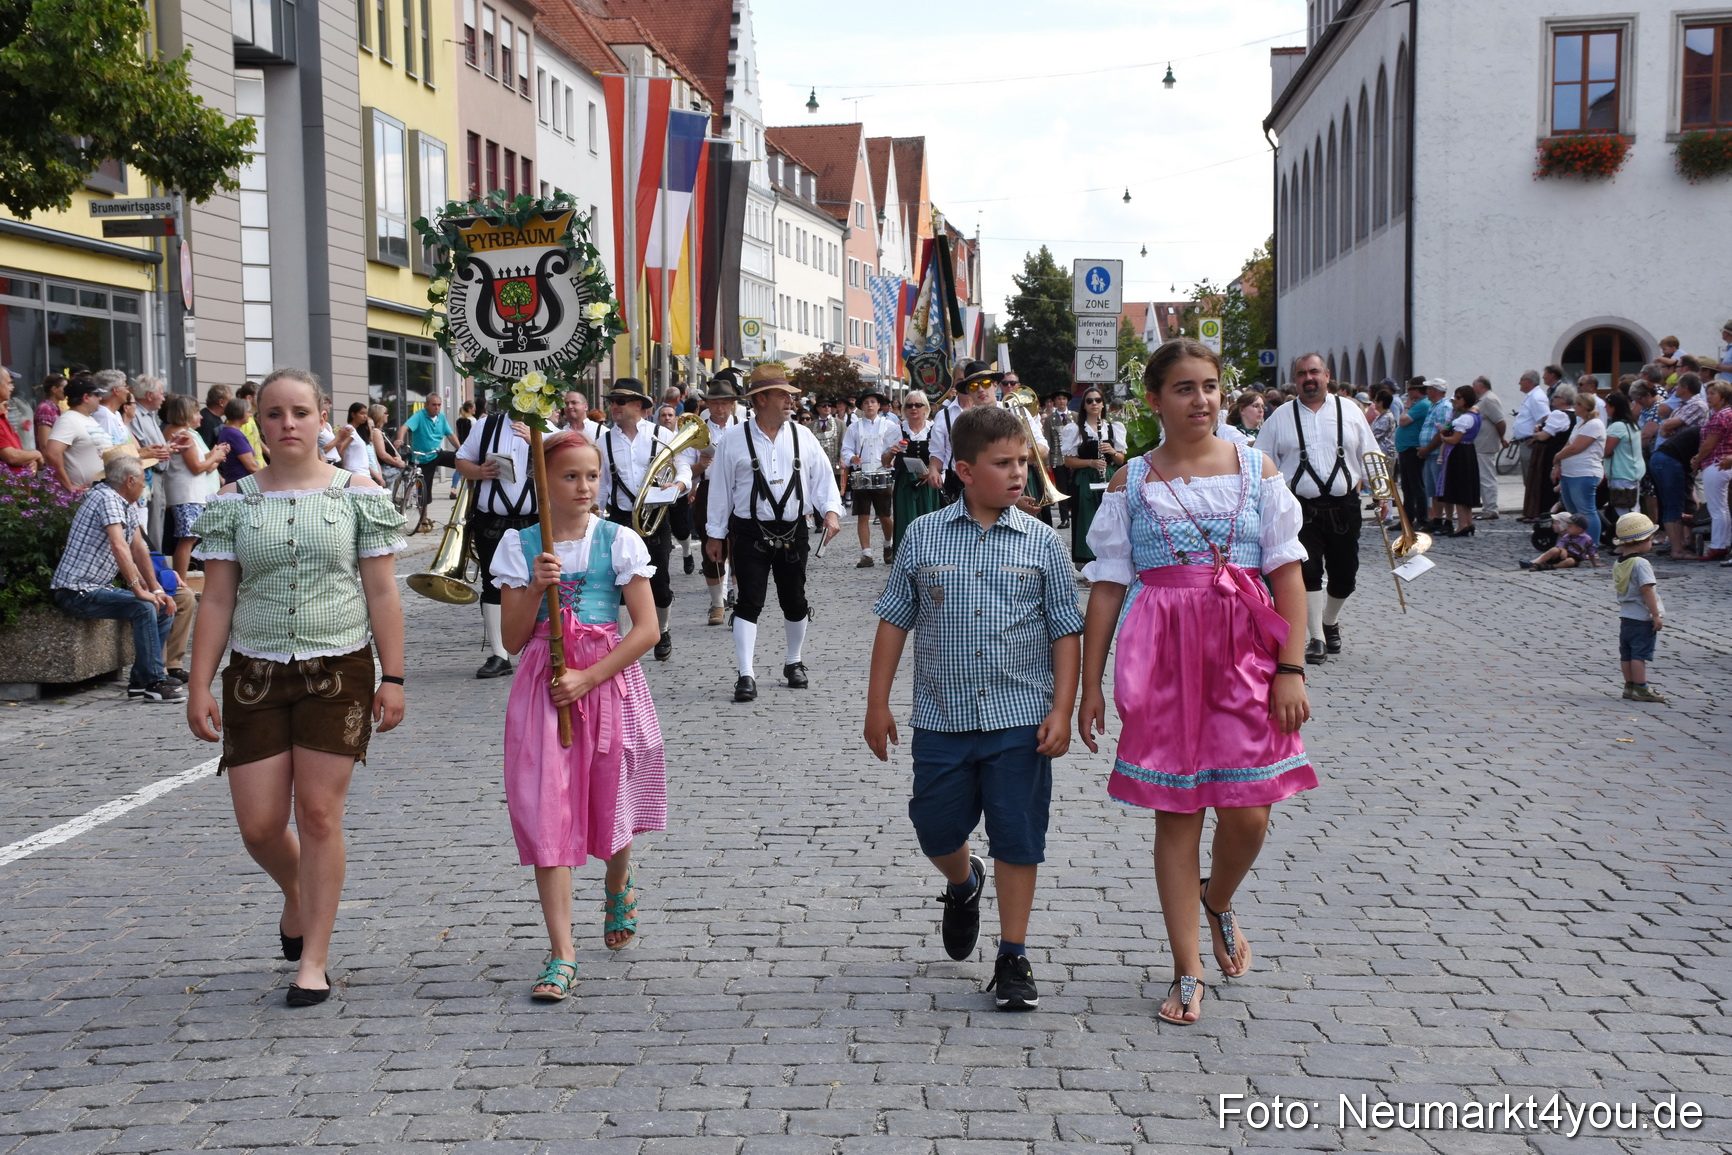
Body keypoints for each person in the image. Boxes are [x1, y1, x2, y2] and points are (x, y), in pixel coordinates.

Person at [1075, 339, 1314, 1025]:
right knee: (1177, 815)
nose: (1202, 399)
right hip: (1162, 657)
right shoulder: (1131, 481)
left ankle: (1218, 897)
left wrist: (1291, 667)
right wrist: (1091, 684)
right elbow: (1107, 588)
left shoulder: (1256, 470)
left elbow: (1287, 575)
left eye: (1210, 385)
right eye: (1184, 388)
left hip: (1245, 655)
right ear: (1153, 399)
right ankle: (1187, 967)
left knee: (1249, 811)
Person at [185, 366, 407, 1007]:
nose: (287, 424)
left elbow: (383, 591)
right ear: (258, 420)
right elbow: (218, 600)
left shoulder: (358, 493)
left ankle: (314, 958)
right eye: (275, 413)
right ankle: (297, 893)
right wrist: (199, 684)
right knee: (258, 826)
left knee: (317, 815)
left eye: (300, 413)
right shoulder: (232, 502)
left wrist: (392, 676)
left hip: (338, 669)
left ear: (323, 419)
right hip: (254, 673)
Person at [864, 404, 1083, 1012]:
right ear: (963, 470)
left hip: (1019, 717)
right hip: (943, 717)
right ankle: (963, 884)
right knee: (934, 827)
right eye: (1004, 463)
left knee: (1018, 836)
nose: (1019, 474)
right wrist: (876, 704)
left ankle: (1013, 955)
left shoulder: (1041, 541)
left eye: (1023, 462)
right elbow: (894, 620)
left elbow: (1067, 631)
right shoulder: (923, 536)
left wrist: (1061, 709)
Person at [493, 431, 666, 999]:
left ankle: (619, 876)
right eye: (569, 476)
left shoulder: (618, 541)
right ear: (543, 482)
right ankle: (562, 952)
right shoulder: (522, 546)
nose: (584, 487)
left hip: (605, 680)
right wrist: (531, 589)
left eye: (591, 475)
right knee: (547, 807)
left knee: (607, 796)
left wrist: (590, 676)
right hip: (545, 685)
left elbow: (646, 629)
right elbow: (515, 640)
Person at [705, 364, 843, 701]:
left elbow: (822, 477)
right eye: (783, 395)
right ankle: (746, 673)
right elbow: (720, 489)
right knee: (749, 601)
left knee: (795, 601)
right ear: (761, 399)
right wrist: (714, 533)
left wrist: (831, 511)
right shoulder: (733, 440)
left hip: (794, 530)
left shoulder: (802, 435)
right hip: (749, 531)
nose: (790, 402)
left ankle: (793, 661)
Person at [1257, 352, 1379, 664]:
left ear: (1326, 375)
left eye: (1314, 372)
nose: (1308, 379)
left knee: (1345, 575)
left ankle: (1329, 620)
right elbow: (1261, 462)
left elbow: (1371, 454)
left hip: (1344, 506)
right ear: (1295, 380)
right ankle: (1316, 637)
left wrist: (1383, 494)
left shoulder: (1349, 410)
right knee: (1308, 571)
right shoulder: (1279, 418)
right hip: (1299, 509)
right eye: (1302, 374)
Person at [49, 456, 182, 702]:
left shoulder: (125, 502)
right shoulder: (107, 497)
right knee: (143, 606)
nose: (145, 485)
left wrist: (156, 589)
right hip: (76, 591)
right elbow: (118, 545)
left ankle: (140, 682)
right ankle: (154, 682)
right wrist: (138, 589)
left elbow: (138, 547)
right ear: (129, 481)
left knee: (161, 606)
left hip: (96, 588)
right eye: (143, 480)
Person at [599, 378, 690, 662]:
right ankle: (626, 643)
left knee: (659, 583)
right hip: (620, 518)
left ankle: (662, 630)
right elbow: (601, 484)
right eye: (612, 401)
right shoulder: (603, 441)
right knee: (620, 584)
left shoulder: (659, 434)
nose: (614, 406)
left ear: (638, 405)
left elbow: (683, 466)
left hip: (655, 517)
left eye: (620, 401)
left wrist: (678, 486)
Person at [455, 400, 540, 678]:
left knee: (538, 584)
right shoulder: (485, 425)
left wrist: (540, 443)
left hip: (535, 522)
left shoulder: (548, 426)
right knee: (493, 585)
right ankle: (499, 655)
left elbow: (564, 465)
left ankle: (538, 649)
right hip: (492, 521)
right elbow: (461, 460)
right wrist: (479, 472)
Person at [690, 371, 744, 623]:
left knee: (742, 544)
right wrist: (699, 467)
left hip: (739, 490)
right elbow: (685, 469)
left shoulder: (744, 428)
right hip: (709, 490)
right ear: (707, 404)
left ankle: (739, 596)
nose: (720, 407)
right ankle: (717, 603)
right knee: (710, 547)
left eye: (724, 402)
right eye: (714, 402)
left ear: (732, 403)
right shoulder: (696, 431)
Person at [159, 393, 229, 586]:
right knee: (188, 539)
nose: (200, 416)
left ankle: (179, 582)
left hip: (184, 493)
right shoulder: (183, 434)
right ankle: (180, 583)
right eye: (197, 411)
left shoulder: (173, 431)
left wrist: (214, 453)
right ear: (187, 413)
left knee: (188, 538)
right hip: (187, 494)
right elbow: (197, 467)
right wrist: (215, 457)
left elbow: (195, 460)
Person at [1061, 387, 1127, 575]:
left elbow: (1121, 460)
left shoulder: (1114, 428)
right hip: (1085, 479)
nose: (1094, 404)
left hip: (1109, 479)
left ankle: (1110, 564)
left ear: (1103, 403)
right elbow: (1068, 460)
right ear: (1084, 405)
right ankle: (1089, 568)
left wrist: (1112, 452)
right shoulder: (1075, 429)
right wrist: (1090, 462)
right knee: (1087, 522)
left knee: (1110, 523)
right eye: (1089, 401)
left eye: (1098, 400)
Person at [1609, 514, 1666, 702]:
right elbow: (1647, 590)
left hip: (1626, 617)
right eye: (1650, 539)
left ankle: (1629, 685)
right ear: (1642, 541)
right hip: (1642, 618)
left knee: (1626, 653)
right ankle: (1641, 688)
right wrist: (1655, 614)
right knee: (1639, 655)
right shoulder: (1641, 564)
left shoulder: (1619, 563)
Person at [840, 386, 899, 566]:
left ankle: (888, 545)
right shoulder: (853, 427)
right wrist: (852, 457)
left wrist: (892, 458)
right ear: (861, 406)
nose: (869, 405)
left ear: (879, 405)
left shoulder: (890, 426)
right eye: (866, 402)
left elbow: (896, 448)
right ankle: (866, 554)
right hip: (863, 473)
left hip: (882, 473)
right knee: (863, 515)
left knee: (885, 515)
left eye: (873, 402)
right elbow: (846, 449)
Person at [888, 389, 944, 555]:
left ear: (925, 408)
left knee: (930, 522)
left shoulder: (934, 429)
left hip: (928, 482)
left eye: (918, 405)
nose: (914, 408)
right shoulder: (897, 430)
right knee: (906, 520)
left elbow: (943, 457)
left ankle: (931, 558)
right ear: (905, 409)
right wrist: (890, 453)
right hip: (905, 482)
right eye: (910, 405)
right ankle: (905, 559)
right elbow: (885, 462)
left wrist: (934, 471)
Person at [1550, 390, 1607, 546]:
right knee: (1574, 512)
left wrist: (1557, 457)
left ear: (1582, 406)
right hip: (1571, 473)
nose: (1574, 407)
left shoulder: (1595, 424)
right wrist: (1558, 463)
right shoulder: (1580, 424)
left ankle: (1592, 545)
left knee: (1586, 511)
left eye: (1576, 404)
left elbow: (1576, 448)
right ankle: (1579, 542)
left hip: (1584, 473)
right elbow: (1568, 445)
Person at [396, 393, 456, 532]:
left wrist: (462, 450)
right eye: (434, 404)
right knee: (424, 490)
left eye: (439, 405)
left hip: (436, 453)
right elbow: (404, 428)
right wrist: (400, 440)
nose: (437, 407)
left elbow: (450, 435)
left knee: (460, 460)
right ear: (426, 405)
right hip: (422, 458)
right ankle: (423, 520)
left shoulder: (441, 417)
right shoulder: (419, 416)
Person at [43, 378, 112, 491]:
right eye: (97, 394)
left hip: (97, 492)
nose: (100, 398)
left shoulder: (89, 418)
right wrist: (68, 486)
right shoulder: (68, 420)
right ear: (86, 397)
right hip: (81, 496)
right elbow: (52, 453)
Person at [1690, 380, 1732, 561]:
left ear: (1723, 396)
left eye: (1713, 393)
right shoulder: (1726, 414)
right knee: (1723, 508)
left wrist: (1698, 460)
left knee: (1717, 508)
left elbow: (1709, 444)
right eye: (1708, 393)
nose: (1709, 396)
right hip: (1723, 462)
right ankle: (1723, 542)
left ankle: (1718, 545)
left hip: (1716, 463)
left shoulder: (1719, 416)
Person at [1435, 384, 1483, 537]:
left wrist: (1443, 436)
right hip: (1467, 452)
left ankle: (1462, 524)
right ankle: (1468, 523)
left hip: (1460, 453)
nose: (1455, 400)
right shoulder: (1473, 415)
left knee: (1459, 489)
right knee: (1465, 489)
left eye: (1458, 397)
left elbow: (1455, 439)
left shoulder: (1465, 418)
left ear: (1466, 399)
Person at [1392, 378, 1431, 530]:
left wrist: (1407, 406)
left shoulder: (1421, 404)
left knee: (1416, 486)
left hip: (1412, 449)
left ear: (1416, 390)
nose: (1408, 393)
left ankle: (1421, 519)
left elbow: (1403, 421)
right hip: (1406, 449)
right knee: (1408, 487)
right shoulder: (1419, 404)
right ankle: (1407, 518)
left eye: (1410, 390)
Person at [1602, 391, 1644, 525]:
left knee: (1624, 510)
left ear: (1613, 407)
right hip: (1632, 471)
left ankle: (1632, 539)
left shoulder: (1618, 426)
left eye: (1607, 405)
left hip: (1622, 473)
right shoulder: (1632, 424)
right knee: (1634, 507)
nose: (1604, 408)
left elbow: (1605, 450)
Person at [1469, 376, 1507, 518]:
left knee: (1487, 477)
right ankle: (1487, 507)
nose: (1472, 389)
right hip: (1480, 444)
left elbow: (1500, 421)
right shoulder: (1483, 400)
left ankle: (1491, 509)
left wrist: (1502, 438)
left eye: (1474, 385)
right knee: (1483, 477)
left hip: (1485, 445)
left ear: (1480, 386)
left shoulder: (1489, 399)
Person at [0, 367, 43, 472]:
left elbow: (16, 453)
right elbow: (12, 456)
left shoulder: (4, 419)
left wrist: (30, 460)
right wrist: (36, 454)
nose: (12, 388)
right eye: (9, 383)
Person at [1520, 512, 1598, 569]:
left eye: (1570, 527)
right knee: (1554, 550)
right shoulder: (1567, 536)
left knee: (1570, 561)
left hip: (1574, 558)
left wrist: (1594, 563)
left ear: (1579, 530)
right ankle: (1537, 562)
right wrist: (1562, 549)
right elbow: (1560, 545)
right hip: (1562, 555)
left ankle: (1550, 566)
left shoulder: (1587, 539)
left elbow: (1591, 552)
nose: (1568, 528)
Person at [215, 398, 262, 485]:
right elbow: (251, 466)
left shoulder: (228, 431)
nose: (250, 414)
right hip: (242, 484)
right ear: (240, 412)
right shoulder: (234, 434)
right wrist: (267, 478)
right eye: (248, 411)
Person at [34, 374, 66, 451]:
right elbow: (44, 444)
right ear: (54, 389)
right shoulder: (45, 409)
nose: (67, 391)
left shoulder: (55, 408)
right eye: (65, 388)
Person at [198, 384, 233, 450]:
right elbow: (204, 449)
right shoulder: (205, 420)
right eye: (230, 402)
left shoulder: (217, 418)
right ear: (221, 402)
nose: (231, 405)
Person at [1368, 388, 1397, 460]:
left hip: (1385, 455)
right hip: (1380, 454)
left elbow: (1374, 436)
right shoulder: (1380, 416)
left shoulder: (1386, 418)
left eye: (1376, 400)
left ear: (1381, 403)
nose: (1374, 402)